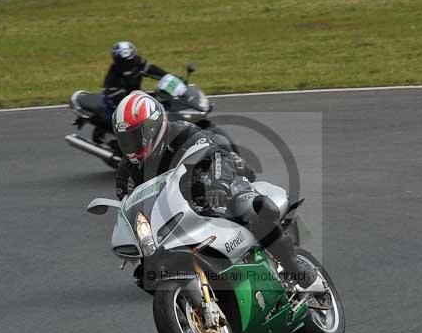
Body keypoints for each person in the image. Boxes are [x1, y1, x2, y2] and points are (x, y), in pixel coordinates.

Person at [112, 91, 324, 294]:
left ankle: (293, 265)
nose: (131, 146)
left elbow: (217, 155)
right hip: (176, 211)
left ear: (152, 127)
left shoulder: (182, 133)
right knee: (144, 273)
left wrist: (219, 185)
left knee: (251, 208)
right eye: (125, 139)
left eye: (134, 136)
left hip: (215, 185)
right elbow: (129, 203)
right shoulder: (127, 169)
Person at [103, 41, 168, 110]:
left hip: (136, 98)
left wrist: (173, 78)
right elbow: (120, 101)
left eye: (128, 60)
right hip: (118, 108)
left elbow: (155, 71)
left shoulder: (138, 65)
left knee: (162, 98)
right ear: (116, 59)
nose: (126, 63)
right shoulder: (112, 77)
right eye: (122, 60)